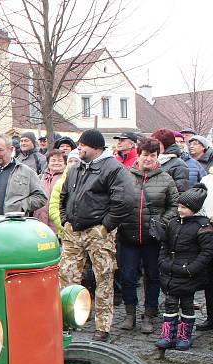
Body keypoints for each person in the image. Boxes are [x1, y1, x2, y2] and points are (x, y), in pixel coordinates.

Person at [59, 128, 133, 341]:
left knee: (103, 279)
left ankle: (103, 326)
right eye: (78, 144)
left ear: (97, 147)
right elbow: (64, 195)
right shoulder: (75, 168)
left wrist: (106, 226)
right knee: (67, 278)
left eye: (83, 144)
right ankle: (68, 320)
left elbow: (125, 199)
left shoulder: (113, 169)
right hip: (74, 230)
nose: (79, 147)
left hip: (98, 232)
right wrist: (65, 219)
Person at [118, 138, 179, 333]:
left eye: (153, 155)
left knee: (153, 277)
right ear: (139, 155)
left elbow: (174, 205)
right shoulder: (125, 176)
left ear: (157, 157)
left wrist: (162, 222)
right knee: (127, 276)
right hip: (128, 235)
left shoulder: (166, 178)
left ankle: (149, 315)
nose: (148, 159)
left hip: (154, 238)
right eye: (145, 155)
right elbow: (116, 200)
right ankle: (130, 313)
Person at [154, 185, 213, 350]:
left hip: (188, 275)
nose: (179, 209)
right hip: (171, 272)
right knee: (170, 304)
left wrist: (192, 269)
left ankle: (185, 336)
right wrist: (163, 261)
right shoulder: (173, 223)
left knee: (187, 305)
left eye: (184, 207)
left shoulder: (203, 227)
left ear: (194, 209)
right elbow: (165, 244)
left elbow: (207, 252)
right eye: (179, 206)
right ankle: (168, 335)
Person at [0, 134, 46, 215]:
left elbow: (41, 197)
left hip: (13, 225)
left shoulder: (26, 172)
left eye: (0, 150)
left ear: (11, 149)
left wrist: (21, 206)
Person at [48, 149, 80, 236]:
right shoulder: (60, 183)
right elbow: (54, 207)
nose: (73, 164)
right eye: (70, 161)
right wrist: (65, 226)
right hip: (65, 231)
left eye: (76, 161)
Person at [34, 150, 66, 234]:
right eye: (53, 160)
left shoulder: (67, 178)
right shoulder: (40, 177)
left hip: (57, 223)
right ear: (48, 162)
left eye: (60, 161)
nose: (56, 163)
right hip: (40, 222)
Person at [152, 128, 190, 193]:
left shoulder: (178, 164)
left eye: (158, 143)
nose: (154, 146)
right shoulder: (152, 160)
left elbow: (181, 191)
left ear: (166, 144)